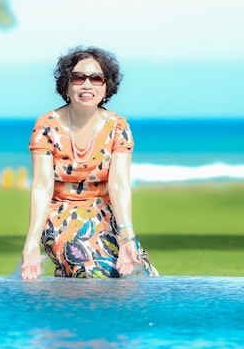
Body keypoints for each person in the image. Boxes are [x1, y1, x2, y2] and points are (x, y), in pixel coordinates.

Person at [20, 46, 159, 279]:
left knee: (140, 273)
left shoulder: (118, 127)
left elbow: (119, 185)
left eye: (96, 78)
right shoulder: (46, 126)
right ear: (66, 85)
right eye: (78, 78)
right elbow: (42, 187)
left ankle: (66, 277)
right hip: (60, 214)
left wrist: (127, 238)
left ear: (106, 86)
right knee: (94, 271)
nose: (87, 85)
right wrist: (31, 243)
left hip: (102, 214)